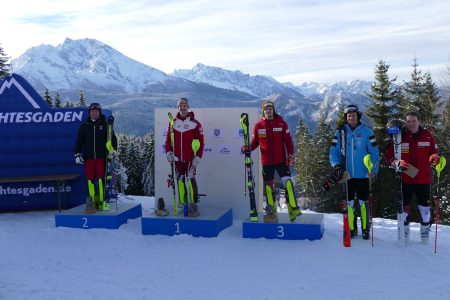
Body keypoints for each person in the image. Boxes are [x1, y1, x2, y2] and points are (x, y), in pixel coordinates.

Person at [242, 100, 301, 222]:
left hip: (281, 161)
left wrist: (290, 156)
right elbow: (254, 143)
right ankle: (271, 211)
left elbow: (288, 141)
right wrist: (247, 148)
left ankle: (293, 210)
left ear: (273, 110)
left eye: (270, 109)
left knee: (288, 184)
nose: (268, 111)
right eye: (266, 109)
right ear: (263, 111)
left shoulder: (281, 124)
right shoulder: (258, 126)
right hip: (267, 162)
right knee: (269, 188)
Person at [385, 111, 439, 241]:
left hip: (423, 178)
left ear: (419, 121)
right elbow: (389, 155)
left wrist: (434, 157)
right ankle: (405, 232)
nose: (411, 124)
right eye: (408, 121)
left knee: (425, 209)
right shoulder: (400, 135)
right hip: (405, 178)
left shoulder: (427, 135)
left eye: (414, 121)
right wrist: (395, 161)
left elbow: (434, 152)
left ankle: (425, 233)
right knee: (404, 207)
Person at [329, 104, 379, 240]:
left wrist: (374, 169)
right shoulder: (340, 132)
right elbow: (333, 151)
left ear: (358, 116)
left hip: (363, 174)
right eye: (349, 115)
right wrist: (336, 165)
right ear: (346, 117)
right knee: (349, 203)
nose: (351, 117)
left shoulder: (367, 131)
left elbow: (374, 152)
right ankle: (352, 228)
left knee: (363, 202)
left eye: (354, 115)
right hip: (347, 175)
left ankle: (365, 229)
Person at [165, 97, 204, 217]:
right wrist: (168, 152)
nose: (183, 108)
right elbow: (168, 140)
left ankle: (193, 203)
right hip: (177, 159)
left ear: (188, 107)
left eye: (185, 106)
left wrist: (198, 156)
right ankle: (183, 202)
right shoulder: (173, 123)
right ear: (178, 107)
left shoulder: (195, 123)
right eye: (180, 106)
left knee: (190, 179)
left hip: (190, 158)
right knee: (180, 180)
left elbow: (201, 141)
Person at [74, 103, 117, 211]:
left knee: (101, 180)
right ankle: (92, 202)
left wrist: (113, 150)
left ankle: (102, 201)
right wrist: (77, 154)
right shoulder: (84, 126)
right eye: (92, 111)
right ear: (89, 113)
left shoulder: (105, 124)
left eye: (96, 111)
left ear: (99, 112)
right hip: (88, 158)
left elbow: (113, 139)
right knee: (90, 181)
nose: (94, 113)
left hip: (101, 158)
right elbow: (79, 141)